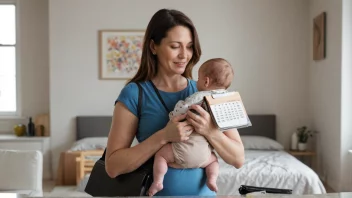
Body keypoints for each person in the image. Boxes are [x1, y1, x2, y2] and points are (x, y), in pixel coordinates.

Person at [105, 8, 245, 196]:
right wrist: (163, 136)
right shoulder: (134, 94)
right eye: (175, 46)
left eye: (189, 46)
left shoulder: (210, 92)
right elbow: (113, 167)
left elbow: (238, 158)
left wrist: (210, 132)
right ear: (153, 47)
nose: (184, 55)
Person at [148, 58, 234, 196]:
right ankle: (212, 179)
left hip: (183, 148)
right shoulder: (226, 102)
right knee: (214, 161)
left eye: (198, 78)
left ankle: (158, 181)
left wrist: (173, 114)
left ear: (206, 81)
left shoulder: (198, 96)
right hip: (203, 155)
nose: (197, 81)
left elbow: (183, 109)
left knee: (161, 156)